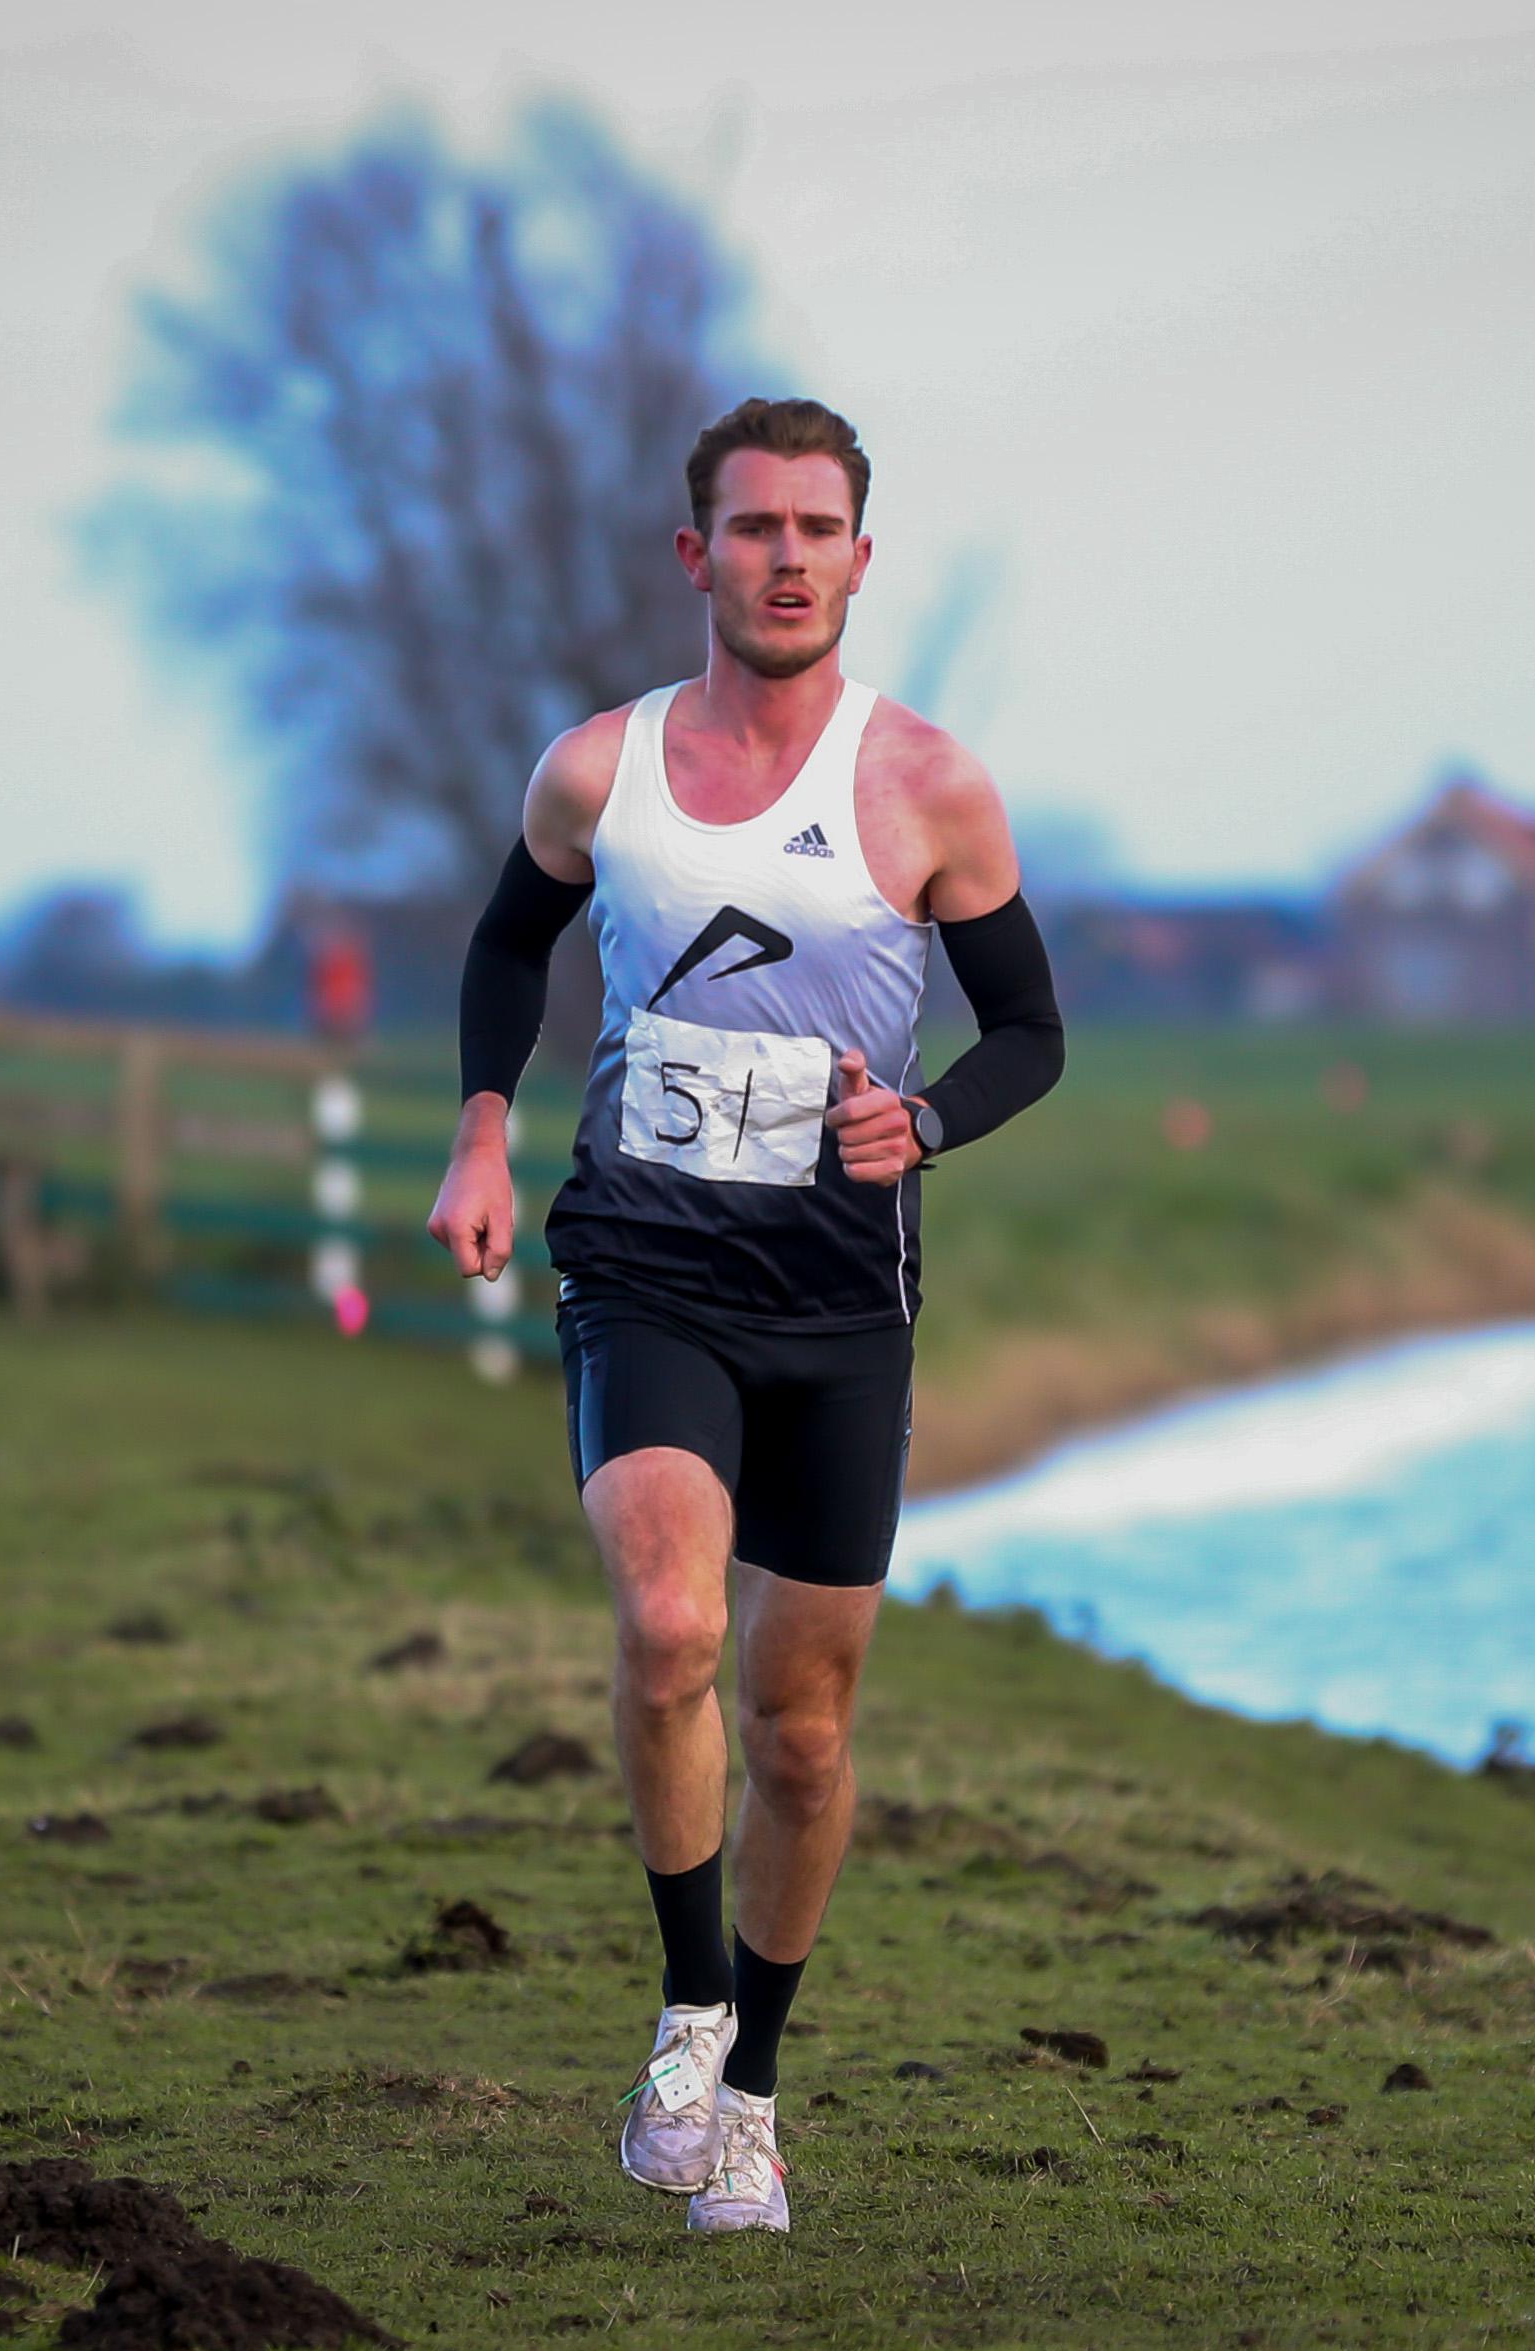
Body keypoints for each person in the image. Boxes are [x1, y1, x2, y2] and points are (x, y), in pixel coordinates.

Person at [426, 397, 1066, 2236]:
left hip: (840, 1296)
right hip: (645, 1256)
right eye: (753, 525)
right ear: (693, 555)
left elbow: (1033, 1031)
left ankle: (758, 2100)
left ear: (863, 559)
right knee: (668, 1622)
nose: (787, 556)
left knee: (799, 1727)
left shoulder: (932, 788)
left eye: (819, 527)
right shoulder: (595, 772)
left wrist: (926, 1114)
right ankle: (688, 2010)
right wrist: (482, 1130)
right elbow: (502, 947)